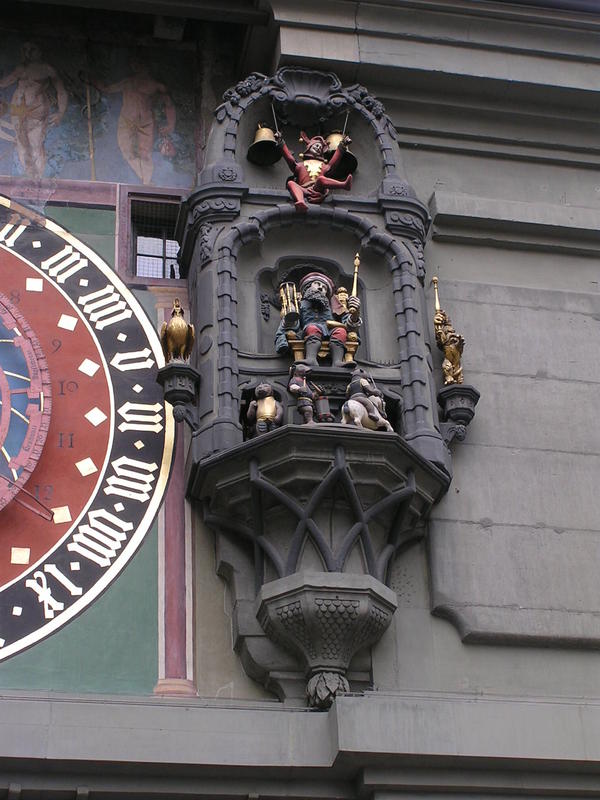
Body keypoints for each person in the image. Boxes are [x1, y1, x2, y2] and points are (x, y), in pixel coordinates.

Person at [99, 57, 175, 185]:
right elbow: (106, 89)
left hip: (146, 123)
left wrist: (171, 124)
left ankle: (147, 182)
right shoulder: (128, 82)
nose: (136, 67)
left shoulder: (156, 85)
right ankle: (143, 180)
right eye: (134, 64)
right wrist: (91, 80)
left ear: (147, 66)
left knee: (145, 154)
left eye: (139, 64)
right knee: (127, 151)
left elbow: (169, 104)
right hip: (126, 121)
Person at [0, 42, 67, 179]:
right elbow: (4, 83)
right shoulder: (20, 69)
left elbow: (61, 91)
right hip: (18, 109)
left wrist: (61, 112)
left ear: (40, 51)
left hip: (37, 110)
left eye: (32, 49)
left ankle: (38, 178)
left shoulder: (47, 69)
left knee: (35, 144)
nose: (28, 52)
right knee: (21, 143)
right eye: (25, 49)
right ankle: (28, 177)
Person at [275, 272, 361, 367]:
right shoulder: (300, 304)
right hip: (310, 329)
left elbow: (349, 324)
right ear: (308, 287)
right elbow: (293, 324)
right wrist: (291, 316)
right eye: (317, 284)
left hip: (330, 329)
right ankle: (311, 359)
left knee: (341, 331)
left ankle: (337, 362)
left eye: (324, 288)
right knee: (312, 328)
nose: (320, 288)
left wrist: (355, 314)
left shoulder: (332, 305)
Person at [275, 131, 352, 212]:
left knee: (321, 179)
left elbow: (333, 162)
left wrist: (343, 145)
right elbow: (290, 158)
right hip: (304, 189)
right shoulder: (300, 165)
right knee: (291, 183)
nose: (318, 148)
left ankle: (344, 185)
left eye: (320, 148)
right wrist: (280, 142)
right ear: (309, 147)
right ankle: (300, 201)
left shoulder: (323, 166)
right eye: (316, 145)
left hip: (317, 188)